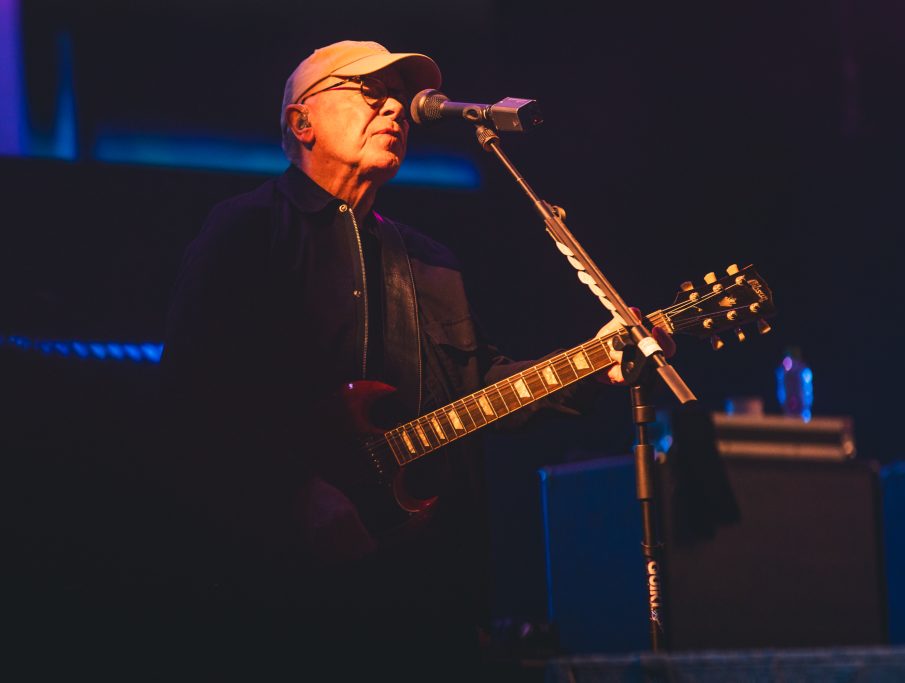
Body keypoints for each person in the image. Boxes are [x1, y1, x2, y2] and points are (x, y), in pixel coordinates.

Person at [158, 39, 674, 676]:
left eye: (401, 102)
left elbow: (480, 391)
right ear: (302, 121)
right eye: (371, 96)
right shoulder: (246, 232)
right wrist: (292, 493)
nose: (396, 111)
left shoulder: (429, 261)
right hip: (278, 590)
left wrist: (599, 363)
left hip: (419, 591)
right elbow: (193, 397)